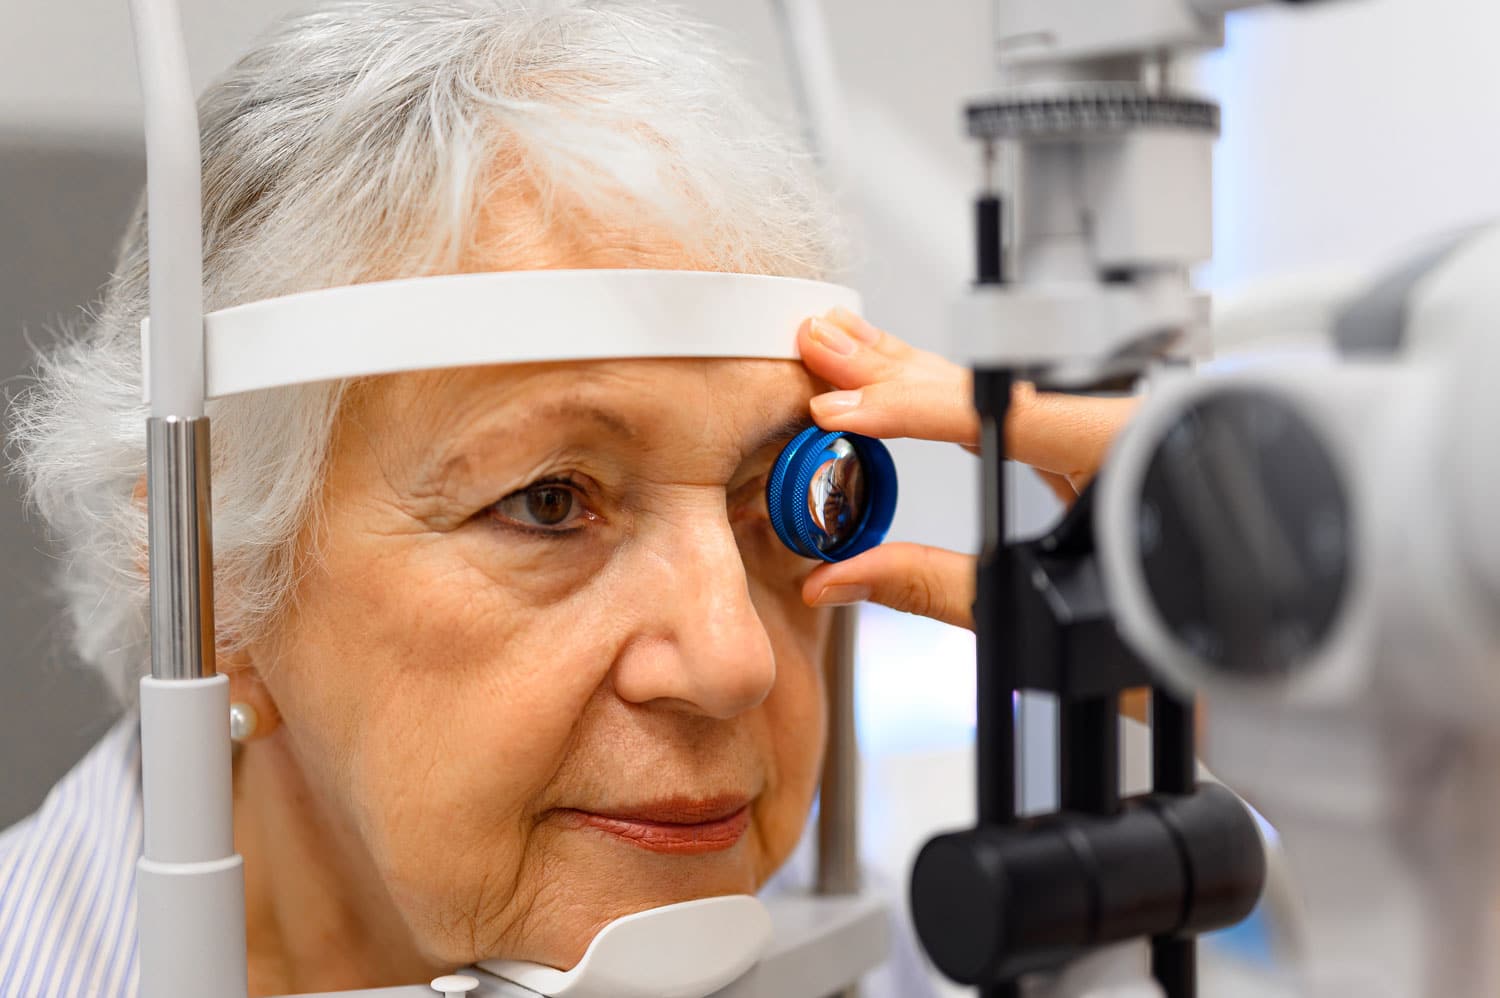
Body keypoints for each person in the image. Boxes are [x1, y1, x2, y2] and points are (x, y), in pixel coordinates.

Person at [0, 2, 1130, 995]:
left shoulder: (896, 964)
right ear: (218, 581)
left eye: (789, 495)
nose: (735, 658)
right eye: (549, 500)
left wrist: (1252, 693)